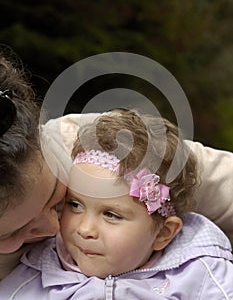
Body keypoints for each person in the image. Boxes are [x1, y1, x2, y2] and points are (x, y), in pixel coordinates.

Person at [0, 45, 233, 282]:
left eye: (54, 199)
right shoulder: (28, 284)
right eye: (12, 232)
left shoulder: (105, 151)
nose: (53, 227)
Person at [0, 110, 232, 299]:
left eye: (111, 214)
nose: (84, 229)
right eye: (75, 205)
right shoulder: (35, 279)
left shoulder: (202, 276)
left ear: (163, 232)